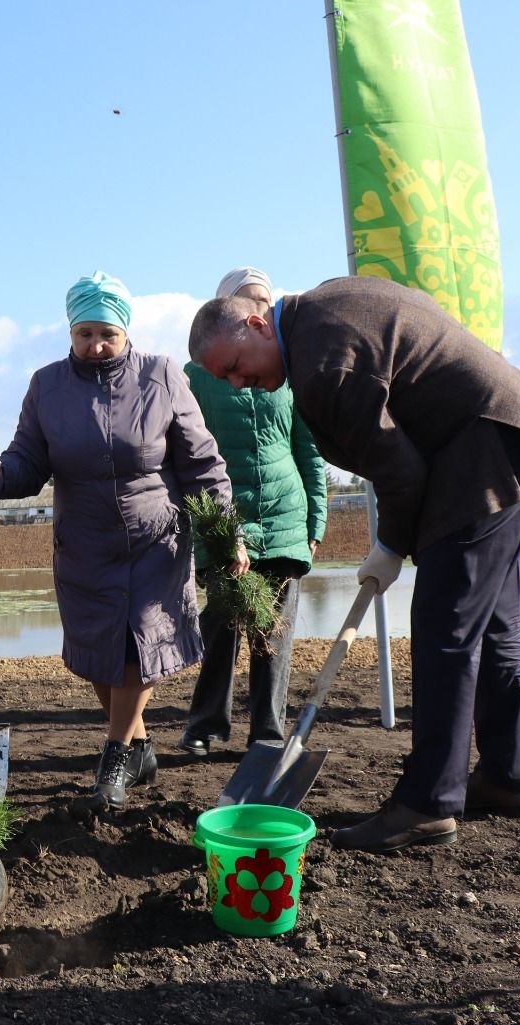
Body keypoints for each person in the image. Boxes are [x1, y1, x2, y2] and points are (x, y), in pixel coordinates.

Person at [188, 274, 520, 854]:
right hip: (513, 429)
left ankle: (427, 804)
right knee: (492, 625)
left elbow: (400, 471)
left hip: (482, 450)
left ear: (257, 324)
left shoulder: (321, 369)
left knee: (445, 629)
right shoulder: (325, 305)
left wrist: (390, 547)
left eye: (235, 365)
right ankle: (508, 778)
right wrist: (398, 543)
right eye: (226, 380)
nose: (242, 384)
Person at [0, 272, 240, 812]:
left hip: (154, 543)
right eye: (84, 333)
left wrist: (226, 533)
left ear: (126, 331)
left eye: (106, 333)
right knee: (99, 658)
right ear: (70, 331)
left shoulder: (161, 376)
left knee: (137, 646)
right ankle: (139, 747)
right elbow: (29, 461)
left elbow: (204, 463)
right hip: (84, 545)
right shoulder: (46, 386)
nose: (95, 345)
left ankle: (113, 756)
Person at [181, 268, 328, 757]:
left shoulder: (289, 368)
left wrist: (316, 520)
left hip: (286, 513)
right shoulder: (198, 375)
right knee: (221, 623)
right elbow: (184, 452)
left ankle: (267, 728)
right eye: (249, 300)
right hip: (227, 517)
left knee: (275, 629)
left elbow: (307, 448)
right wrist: (201, 528)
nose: (259, 306)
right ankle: (205, 725)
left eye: (265, 299)